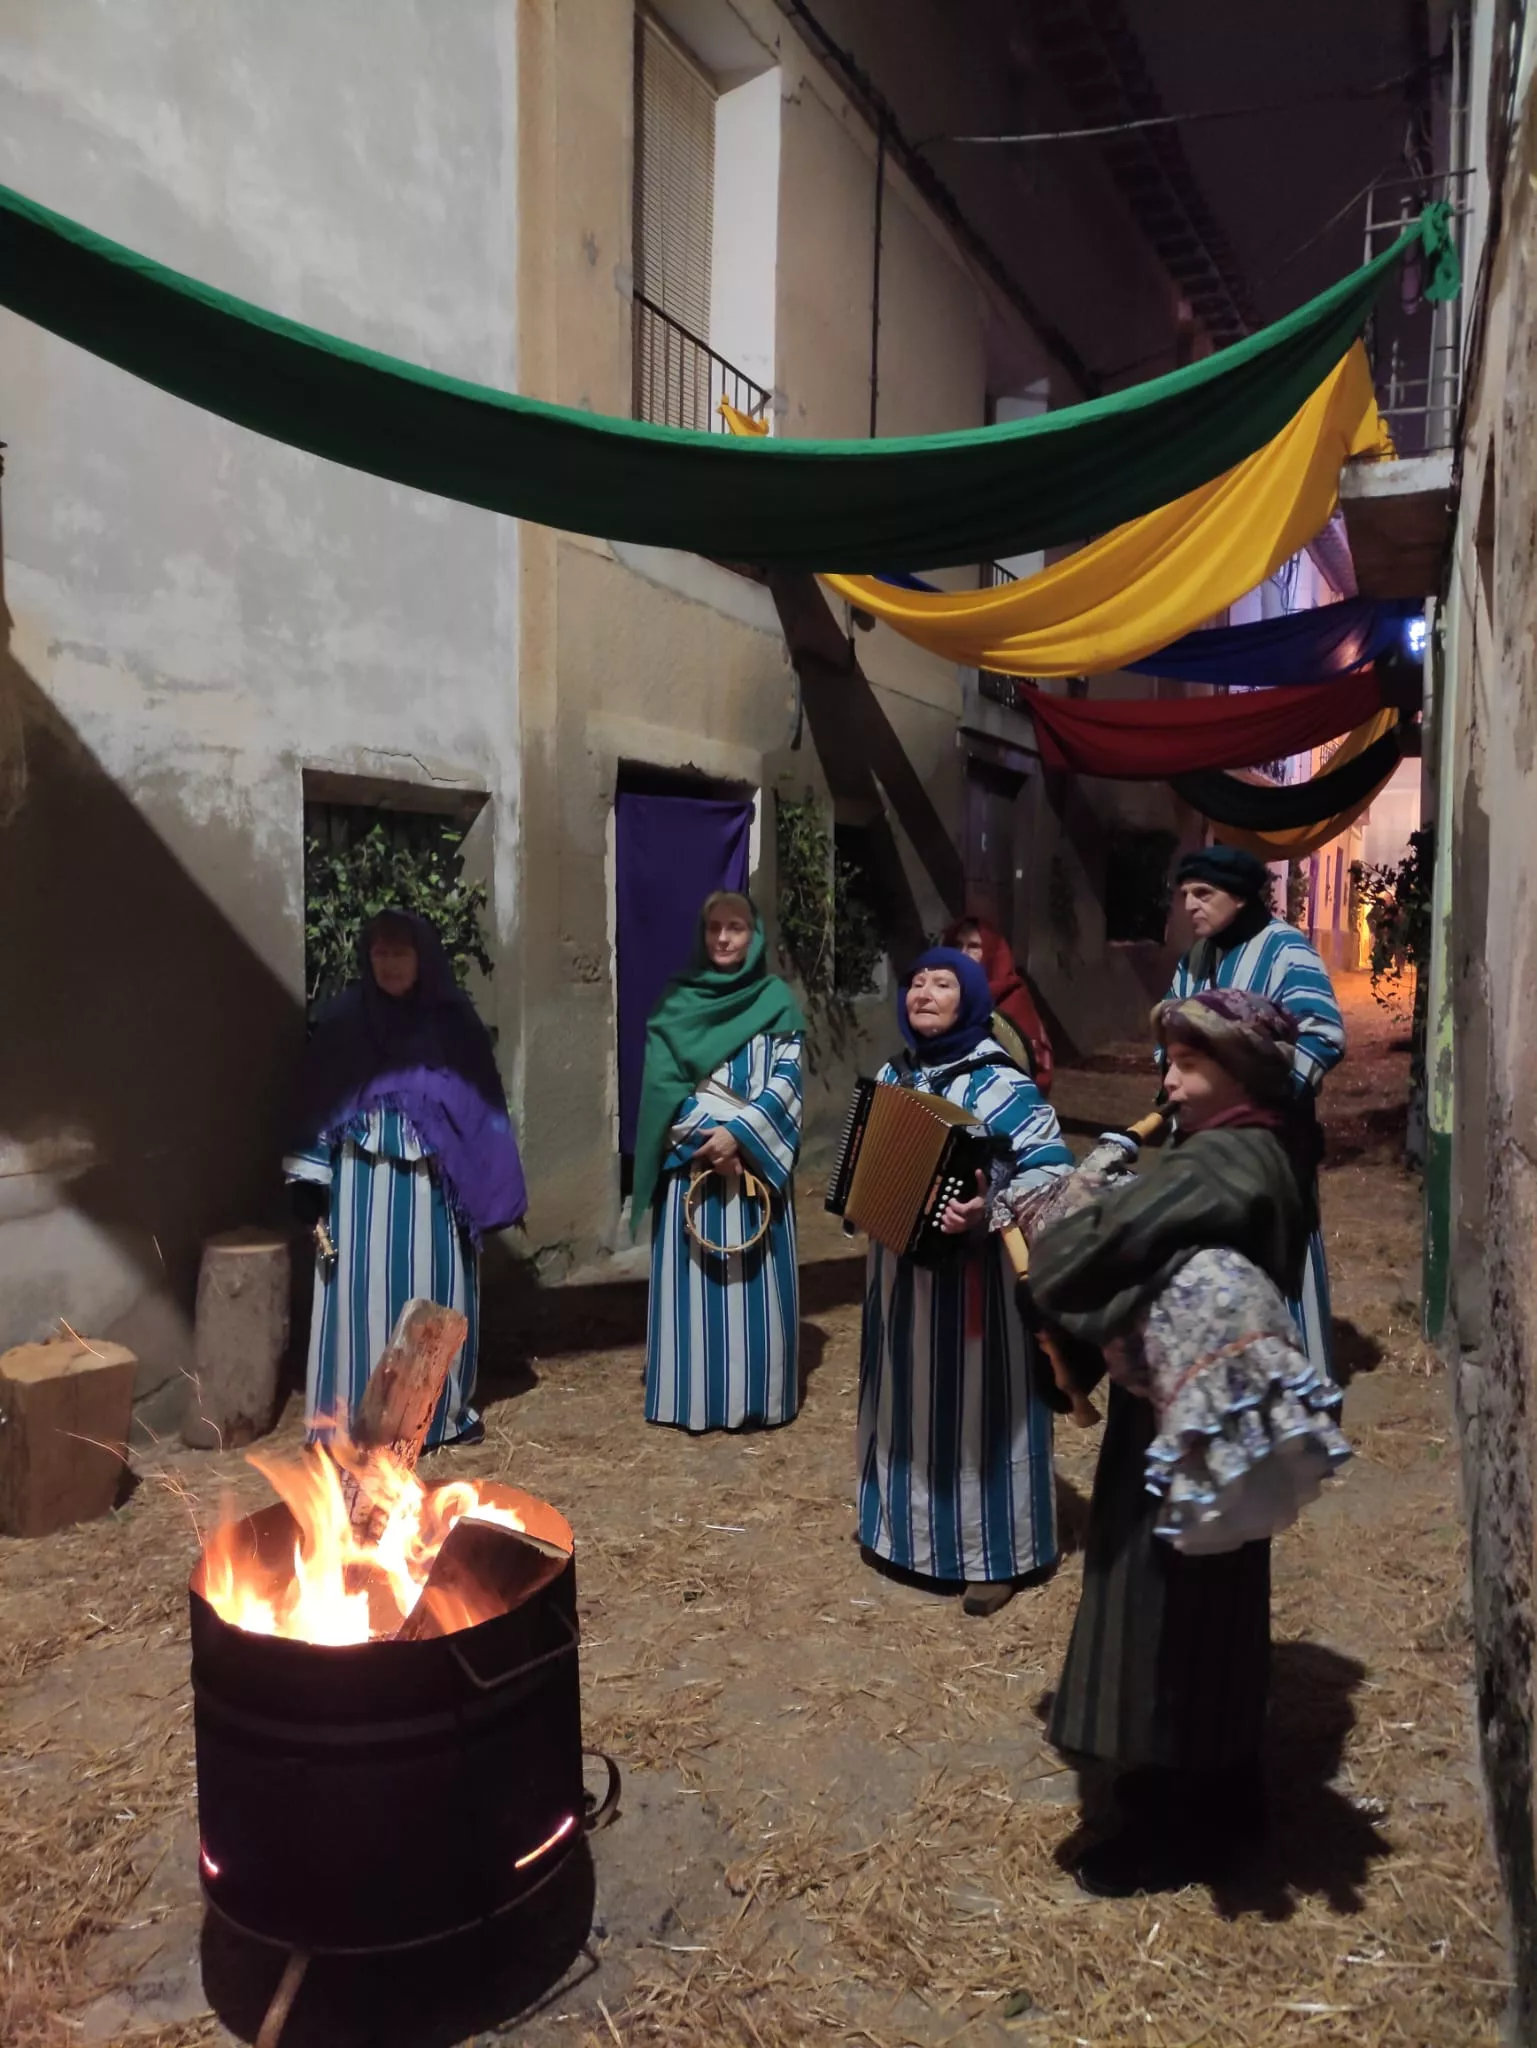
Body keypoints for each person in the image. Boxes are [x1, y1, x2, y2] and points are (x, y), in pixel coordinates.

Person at [1026, 988, 1334, 1897]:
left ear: (1239, 1073)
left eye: (1185, 1063)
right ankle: (1216, 1792)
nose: (1165, 1080)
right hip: (1197, 1419)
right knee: (1208, 1596)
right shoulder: (1240, 1152)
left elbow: (1071, 1251)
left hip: (1185, 1425)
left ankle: (1168, 1815)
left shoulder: (1225, 1165)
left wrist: (1083, 1248)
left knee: (1163, 1603)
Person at [856, 948, 1072, 1616]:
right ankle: (904, 1539)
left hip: (975, 1291)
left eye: (942, 983)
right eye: (916, 981)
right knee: (905, 1404)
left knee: (979, 1414)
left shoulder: (1000, 1083)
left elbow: (1051, 1169)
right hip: (899, 1286)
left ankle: (991, 1558)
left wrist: (990, 1208)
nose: (922, 991)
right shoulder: (893, 1074)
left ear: (971, 999)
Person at [286, 910, 526, 1450]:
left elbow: (478, 1106)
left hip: (431, 1195)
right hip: (360, 1190)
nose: (390, 964)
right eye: (380, 953)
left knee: (431, 1293)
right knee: (359, 1299)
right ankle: (352, 1413)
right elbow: (318, 1101)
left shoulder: (452, 1021)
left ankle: (435, 1415)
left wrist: (482, 1175)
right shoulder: (345, 1022)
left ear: (423, 957)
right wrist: (309, 1178)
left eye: (401, 953)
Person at [1164, 844, 1344, 1379]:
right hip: (1203, 1143)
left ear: (1239, 897)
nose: (1191, 906)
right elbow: (1170, 1031)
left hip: (1270, 1143)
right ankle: (1229, 1379)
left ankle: (1294, 1382)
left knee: (1278, 1251)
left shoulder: (1287, 951)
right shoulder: (1195, 959)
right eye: (1184, 896)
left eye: (1204, 894)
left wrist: (1264, 1099)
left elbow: (1324, 1032)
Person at [634, 892, 806, 1433]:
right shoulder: (676, 1002)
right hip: (692, 1166)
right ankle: (691, 1396)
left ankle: (757, 1396)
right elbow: (659, 1090)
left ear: (755, 936)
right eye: (715, 928)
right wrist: (704, 1139)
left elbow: (789, 1079)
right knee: (693, 1289)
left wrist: (742, 1137)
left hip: (753, 1175)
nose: (724, 938)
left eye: (736, 928)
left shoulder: (777, 1001)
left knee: (751, 1290)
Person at [943, 914, 1054, 1094]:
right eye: (957, 946)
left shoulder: (1012, 996)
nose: (962, 954)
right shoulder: (943, 995)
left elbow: (1036, 1067)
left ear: (990, 952)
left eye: (973, 946)